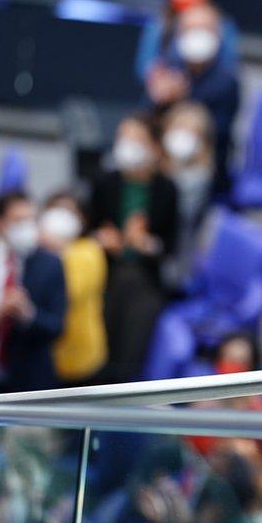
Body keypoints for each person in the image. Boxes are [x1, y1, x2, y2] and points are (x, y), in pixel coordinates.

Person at [90, 114, 178, 384]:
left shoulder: (166, 189)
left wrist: (146, 244)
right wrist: (103, 239)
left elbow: (170, 245)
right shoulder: (106, 182)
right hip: (106, 270)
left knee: (134, 292)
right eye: (122, 139)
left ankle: (122, 376)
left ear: (153, 147)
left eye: (135, 140)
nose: (126, 146)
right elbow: (89, 229)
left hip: (144, 275)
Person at [0, 192, 65, 394]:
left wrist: (29, 314)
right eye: (19, 220)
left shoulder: (50, 264)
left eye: (32, 220)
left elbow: (57, 327)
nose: (27, 228)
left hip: (30, 387)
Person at [145, 2, 240, 192]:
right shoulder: (169, 67)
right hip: (161, 160)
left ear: (218, 36)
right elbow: (148, 120)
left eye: (203, 30)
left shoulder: (227, 81)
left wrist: (181, 97)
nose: (196, 36)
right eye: (190, 30)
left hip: (204, 168)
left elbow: (216, 133)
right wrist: (158, 99)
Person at [38, 192, 108, 387]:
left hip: (79, 354)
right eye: (55, 210)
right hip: (45, 353)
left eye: (68, 211)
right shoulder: (37, 250)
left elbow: (69, 293)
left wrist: (57, 251)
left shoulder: (88, 250)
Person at [159, 101, 217, 290]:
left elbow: (175, 215)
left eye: (191, 132)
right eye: (178, 128)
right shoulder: (156, 165)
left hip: (173, 265)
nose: (182, 136)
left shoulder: (200, 179)